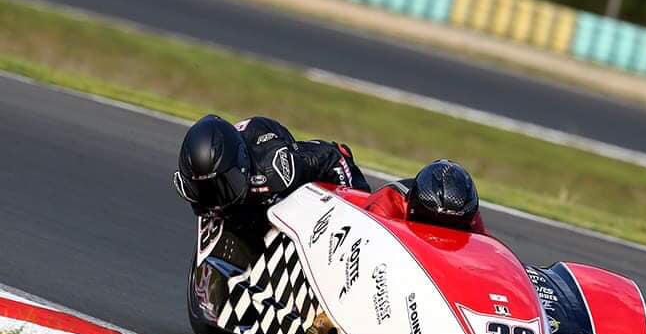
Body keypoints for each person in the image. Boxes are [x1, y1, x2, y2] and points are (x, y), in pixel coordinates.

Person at [173, 115, 370, 222]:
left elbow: (334, 155)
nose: (214, 199)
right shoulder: (191, 188)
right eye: (205, 190)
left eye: (224, 185)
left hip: (275, 150)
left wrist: (357, 209)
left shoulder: (276, 169)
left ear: (241, 167)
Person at [364, 159, 487, 234]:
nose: (441, 233)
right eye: (431, 220)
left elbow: (485, 250)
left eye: (454, 224)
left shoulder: (470, 214)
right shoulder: (389, 202)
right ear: (413, 205)